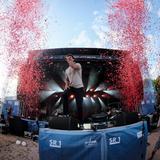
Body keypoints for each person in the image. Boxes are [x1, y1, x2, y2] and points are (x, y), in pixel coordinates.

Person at [63, 54, 85, 128]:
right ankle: (65, 114)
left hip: (79, 87)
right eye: (67, 59)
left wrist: (69, 60)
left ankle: (81, 123)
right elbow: (66, 80)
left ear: (73, 59)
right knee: (64, 94)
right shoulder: (66, 70)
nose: (69, 59)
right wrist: (66, 86)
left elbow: (73, 66)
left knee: (79, 105)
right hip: (71, 87)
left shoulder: (78, 65)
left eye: (70, 58)